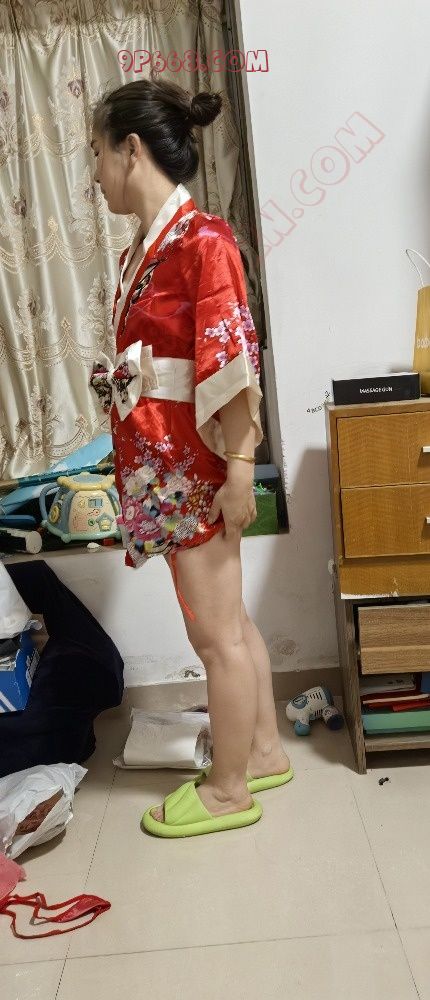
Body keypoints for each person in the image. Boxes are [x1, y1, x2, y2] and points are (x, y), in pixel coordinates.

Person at [90, 74, 292, 838]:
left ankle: (230, 789)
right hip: (169, 469)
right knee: (229, 623)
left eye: (97, 154)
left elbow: (229, 361)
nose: (95, 172)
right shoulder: (146, 250)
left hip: (197, 472)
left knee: (214, 637)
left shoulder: (203, 241)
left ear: (130, 150)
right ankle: (263, 750)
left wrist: (240, 470)